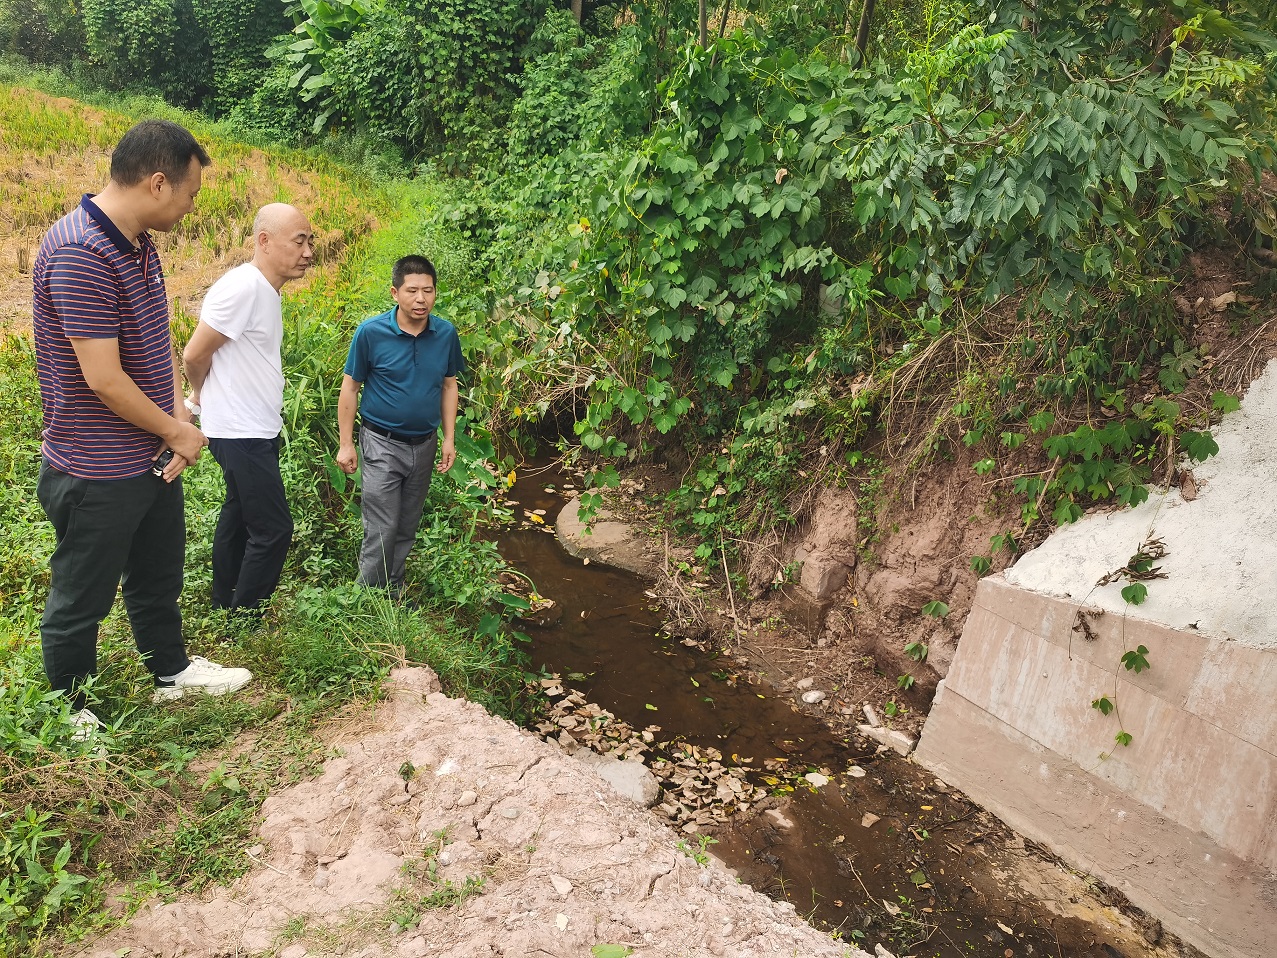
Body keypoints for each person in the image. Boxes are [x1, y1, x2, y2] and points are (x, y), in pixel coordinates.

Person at [32, 119, 252, 735]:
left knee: (158, 573)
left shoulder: (135, 243)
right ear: (158, 183)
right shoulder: (81, 250)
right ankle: (69, 710)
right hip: (97, 467)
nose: (190, 207)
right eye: (189, 195)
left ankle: (170, 671)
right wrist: (179, 433)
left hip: (148, 455)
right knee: (82, 596)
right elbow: (102, 377)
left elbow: (154, 345)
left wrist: (177, 417)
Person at [182, 204, 315, 614]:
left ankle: (225, 602)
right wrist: (197, 396)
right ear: (264, 241)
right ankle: (247, 614)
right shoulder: (244, 287)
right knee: (274, 528)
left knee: (239, 514)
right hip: (240, 430)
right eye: (300, 241)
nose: (309, 251)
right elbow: (194, 353)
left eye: (310, 241)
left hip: (253, 426)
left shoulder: (264, 290)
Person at [336, 255, 464, 595]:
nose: (420, 299)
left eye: (428, 291)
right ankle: (368, 597)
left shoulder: (445, 334)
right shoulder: (371, 333)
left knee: (407, 523)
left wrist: (449, 438)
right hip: (381, 442)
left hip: (424, 444)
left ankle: (393, 589)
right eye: (412, 291)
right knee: (382, 525)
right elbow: (350, 387)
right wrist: (346, 443)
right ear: (395, 293)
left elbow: (450, 385)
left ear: (436, 293)